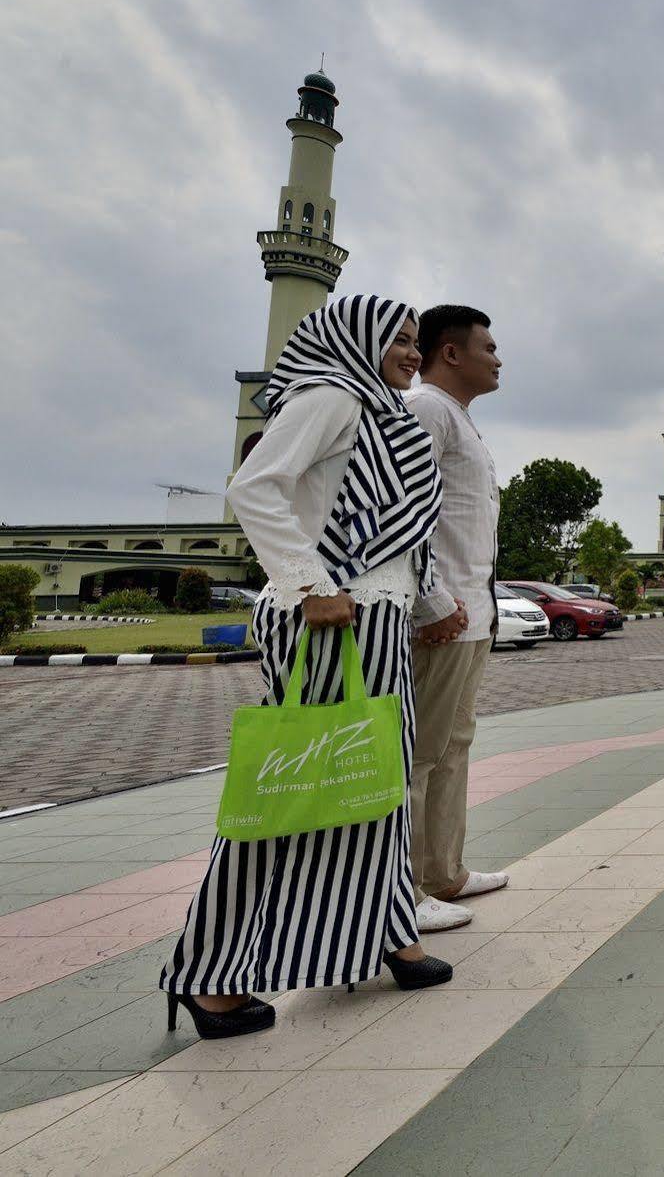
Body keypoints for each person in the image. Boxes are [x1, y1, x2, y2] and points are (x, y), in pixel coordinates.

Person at [161, 295, 451, 1041]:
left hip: (374, 620)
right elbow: (253, 487)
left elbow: (396, 535)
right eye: (399, 338)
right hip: (329, 620)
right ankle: (213, 977)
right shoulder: (329, 395)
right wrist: (310, 583)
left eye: (416, 341)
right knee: (291, 791)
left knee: (377, 783)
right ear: (356, 337)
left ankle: (386, 931)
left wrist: (429, 604)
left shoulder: (381, 414)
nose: (411, 353)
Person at [405, 305, 509, 933]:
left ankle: (443, 871)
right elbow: (405, 512)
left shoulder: (459, 419)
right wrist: (432, 600)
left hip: (473, 615)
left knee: (453, 747)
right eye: (489, 347)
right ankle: (405, 890)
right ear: (451, 352)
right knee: (420, 753)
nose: (498, 359)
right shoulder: (426, 411)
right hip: (442, 616)